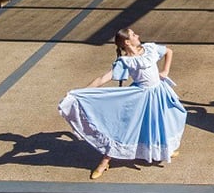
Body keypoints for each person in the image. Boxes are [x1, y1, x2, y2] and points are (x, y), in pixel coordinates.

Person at [58, 28, 187, 179]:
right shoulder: (125, 61)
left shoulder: (150, 49)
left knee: (164, 121)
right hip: (140, 97)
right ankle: (105, 161)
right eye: (133, 35)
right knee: (124, 129)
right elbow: (102, 79)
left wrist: (165, 71)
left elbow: (168, 51)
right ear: (127, 42)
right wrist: (81, 92)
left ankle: (166, 149)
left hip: (159, 92)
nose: (137, 35)